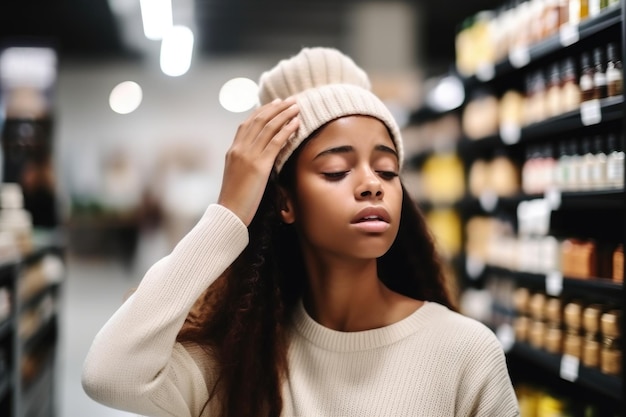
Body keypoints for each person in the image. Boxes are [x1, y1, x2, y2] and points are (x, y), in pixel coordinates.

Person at [82, 47, 520, 417]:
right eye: (336, 170)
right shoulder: (241, 364)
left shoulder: (465, 353)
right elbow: (110, 374)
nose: (371, 183)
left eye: (387, 170)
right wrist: (228, 214)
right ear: (285, 203)